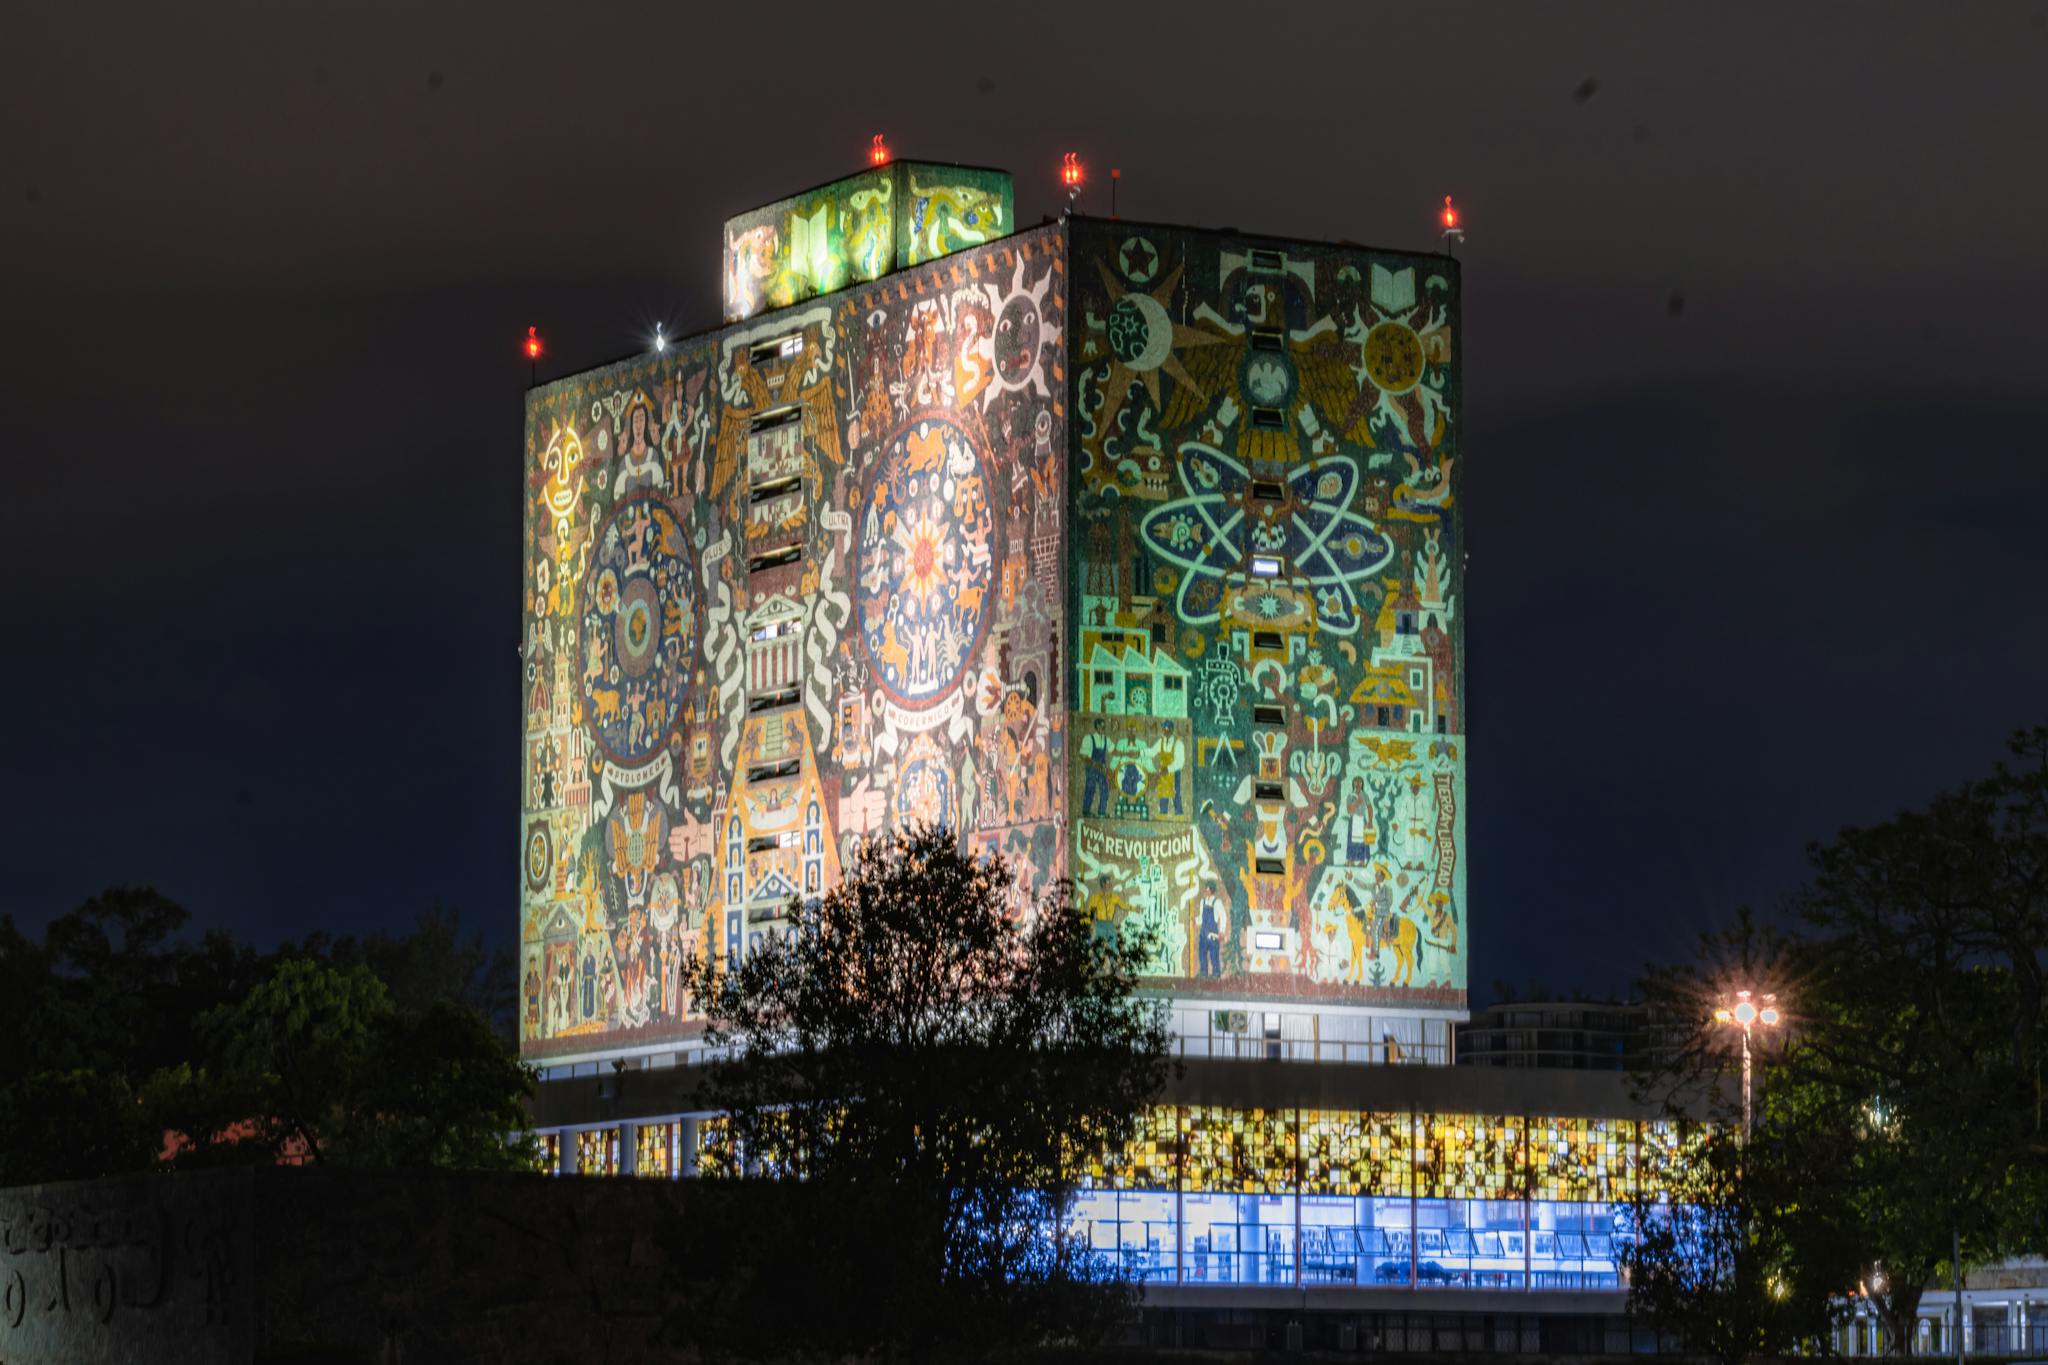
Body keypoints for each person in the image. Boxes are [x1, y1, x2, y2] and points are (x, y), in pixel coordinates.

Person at [1197, 887, 1223, 978]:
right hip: (1203, 932)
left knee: (1214, 954)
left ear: (1212, 890)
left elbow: (1223, 916)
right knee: (1202, 953)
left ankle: (1216, 973)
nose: (1206, 891)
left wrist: (1222, 931)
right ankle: (1203, 972)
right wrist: (1195, 921)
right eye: (1206, 889)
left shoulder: (1217, 902)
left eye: (1208, 889)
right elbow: (1200, 919)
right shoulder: (1202, 902)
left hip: (1212, 933)